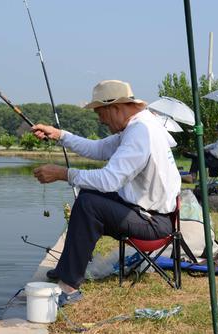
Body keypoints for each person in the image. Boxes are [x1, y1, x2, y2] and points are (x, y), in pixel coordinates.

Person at [31, 80, 181, 307]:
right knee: (87, 197)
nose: (100, 120)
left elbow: (110, 180)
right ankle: (67, 269)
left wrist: (64, 173)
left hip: (154, 224)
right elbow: (98, 149)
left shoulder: (140, 132)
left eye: (100, 113)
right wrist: (59, 135)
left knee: (89, 204)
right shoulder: (139, 125)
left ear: (115, 108)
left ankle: (69, 289)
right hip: (146, 212)